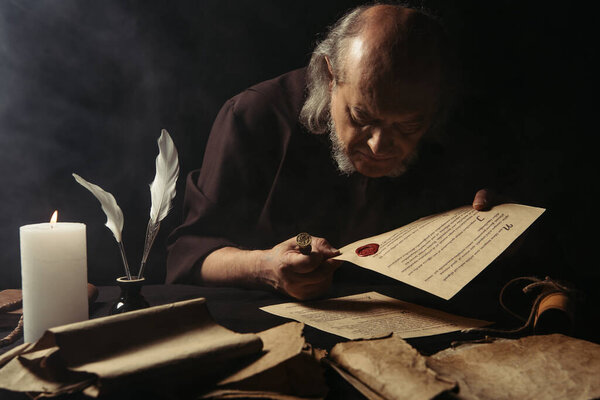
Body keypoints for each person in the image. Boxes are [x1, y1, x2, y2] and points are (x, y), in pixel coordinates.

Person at [166, 4, 495, 300]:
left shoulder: (458, 126)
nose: (378, 146)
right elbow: (188, 256)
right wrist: (263, 267)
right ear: (329, 76)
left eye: (407, 127)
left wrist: (496, 224)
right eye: (361, 117)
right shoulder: (255, 116)